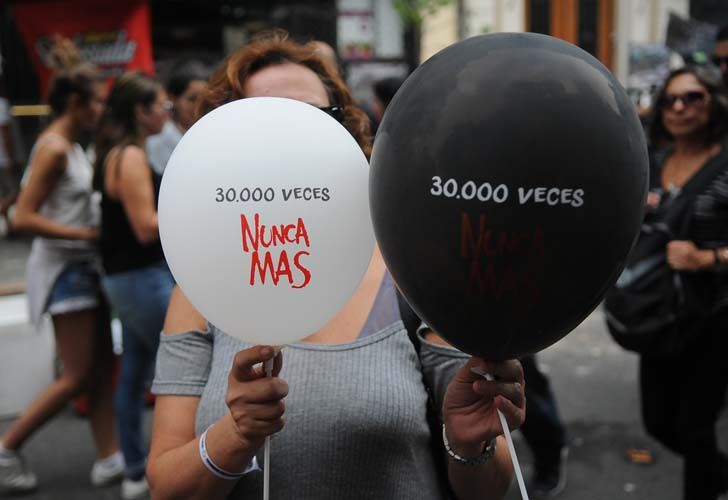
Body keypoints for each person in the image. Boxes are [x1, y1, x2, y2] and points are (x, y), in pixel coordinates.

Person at [145, 32, 525, 500]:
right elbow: (165, 486)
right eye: (266, 123)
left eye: (315, 118)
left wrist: (469, 442)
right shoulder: (199, 288)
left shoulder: (411, 270)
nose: (295, 138)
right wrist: (234, 436)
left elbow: (488, 486)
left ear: (345, 129)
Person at [0, 63, 122, 493]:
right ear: (76, 103)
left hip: (83, 269)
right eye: (97, 101)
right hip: (67, 271)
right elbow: (22, 217)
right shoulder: (54, 148)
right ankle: (6, 447)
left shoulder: (69, 144)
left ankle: (110, 457)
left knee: (101, 369)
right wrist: (86, 234)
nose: (101, 110)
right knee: (76, 375)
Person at [641, 65, 728, 500]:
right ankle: (715, 471)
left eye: (693, 97)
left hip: (714, 315)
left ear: (714, 103)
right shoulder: (653, 159)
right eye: (671, 98)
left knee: (695, 427)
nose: (679, 106)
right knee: (657, 422)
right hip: (660, 315)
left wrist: (708, 258)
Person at [93, 71, 175, 499]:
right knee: (180, 370)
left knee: (136, 373)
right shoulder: (128, 157)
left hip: (126, 280)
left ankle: (133, 469)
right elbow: (146, 227)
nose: (167, 111)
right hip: (142, 277)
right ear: (141, 112)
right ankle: (167, 467)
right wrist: (191, 210)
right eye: (161, 105)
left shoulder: (116, 152)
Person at [146, 60, 208, 174]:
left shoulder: (211, 135)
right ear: (173, 98)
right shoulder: (159, 140)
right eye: (192, 99)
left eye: (204, 100)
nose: (199, 106)